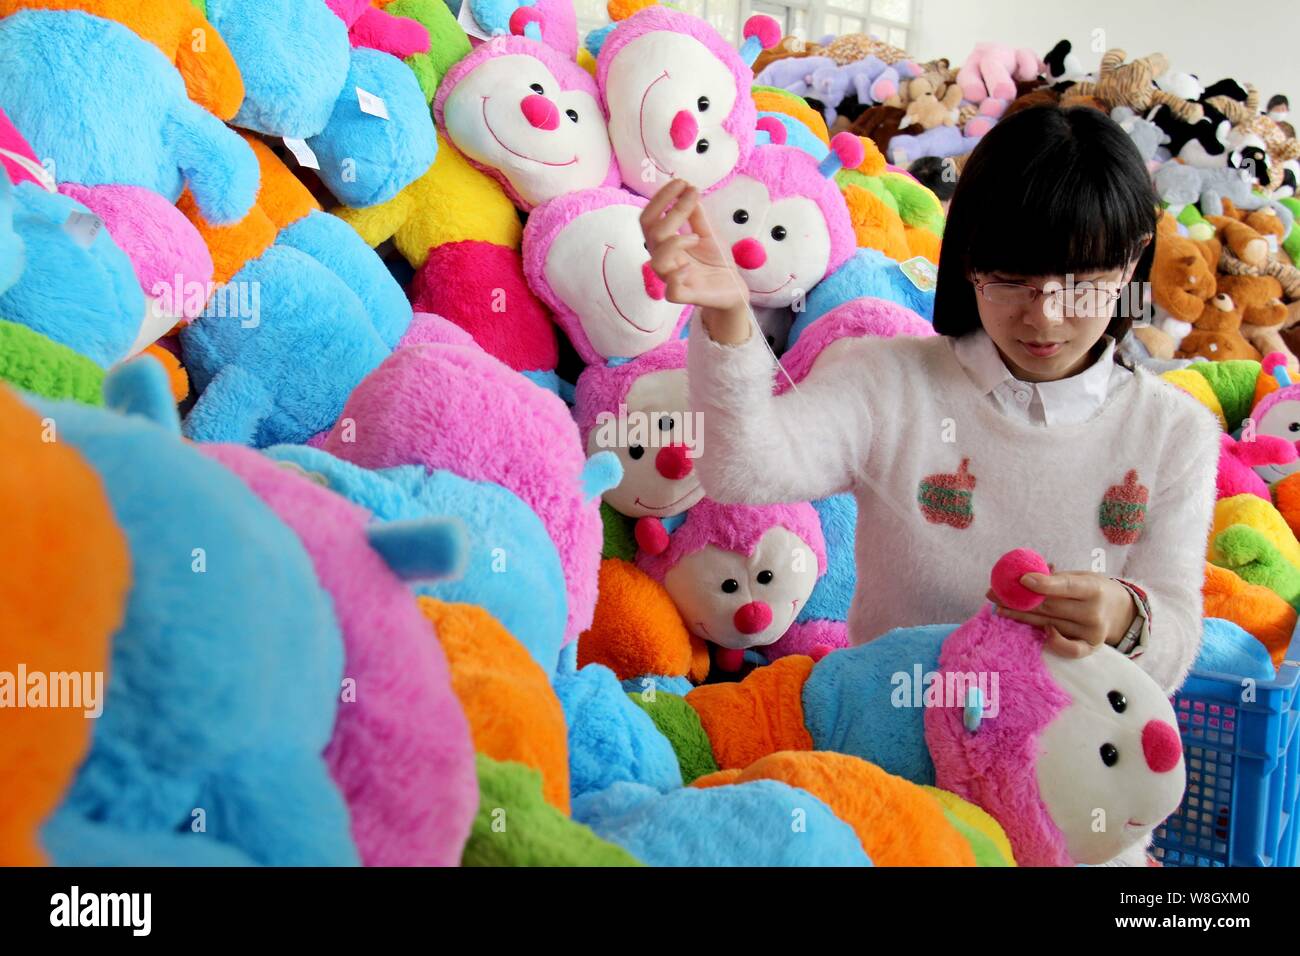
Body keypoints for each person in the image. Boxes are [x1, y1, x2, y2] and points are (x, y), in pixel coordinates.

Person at [639, 104, 1219, 695]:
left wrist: (1125, 618)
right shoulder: (889, 381)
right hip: (895, 749)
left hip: (1074, 767)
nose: (1044, 316)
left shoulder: (1174, 433)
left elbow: (1172, 641)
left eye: (1079, 284)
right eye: (1012, 280)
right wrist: (729, 320)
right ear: (968, 260)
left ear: (1132, 261)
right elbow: (742, 470)